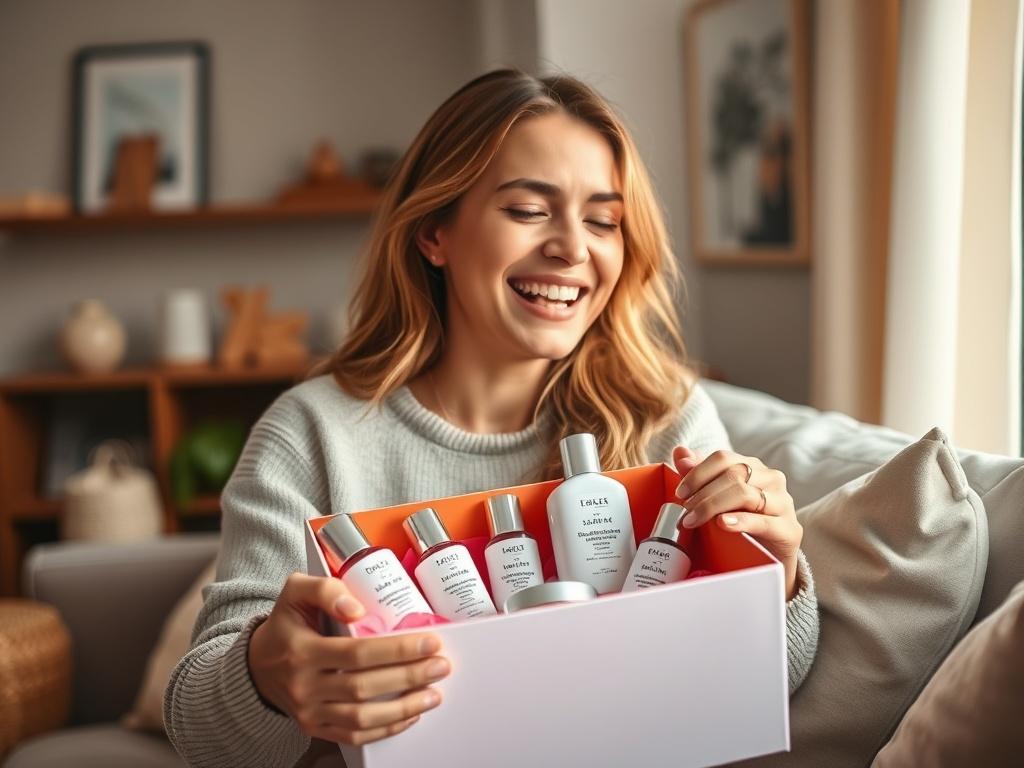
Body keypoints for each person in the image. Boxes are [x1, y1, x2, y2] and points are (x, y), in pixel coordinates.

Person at [164, 69, 819, 768]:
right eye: (529, 210)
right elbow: (204, 738)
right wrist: (268, 672)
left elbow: (768, 682)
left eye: (603, 220)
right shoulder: (312, 435)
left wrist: (773, 575)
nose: (573, 247)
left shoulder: (666, 418)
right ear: (433, 232)